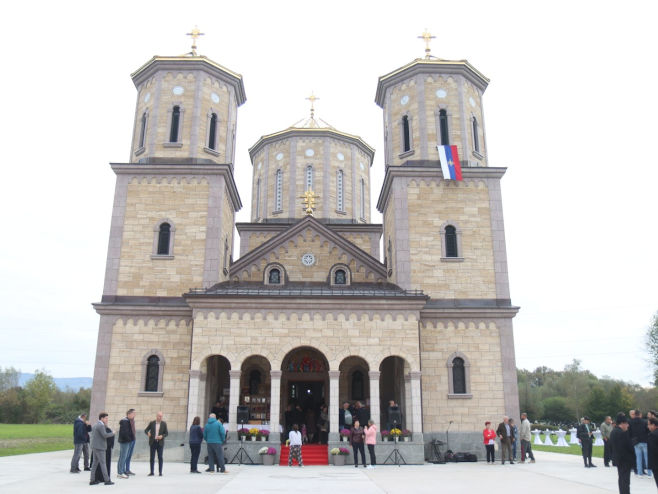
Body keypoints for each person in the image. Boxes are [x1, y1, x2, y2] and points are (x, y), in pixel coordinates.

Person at [610, 413, 634, 494]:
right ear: (623, 423)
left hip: (618, 459)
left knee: (621, 478)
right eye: (627, 424)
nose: (628, 426)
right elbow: (628, 446)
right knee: (625, 481)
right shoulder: (623, 433)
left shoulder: (613, 432)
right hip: (625, 460)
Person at [89, 412, 115, 486]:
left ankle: (92, 480)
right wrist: (113, 433)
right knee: (103, 464)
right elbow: (105, 435)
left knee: (94, 464)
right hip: (100, 447)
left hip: (95, 447)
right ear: (102, 418)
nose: (107, 420)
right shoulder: (101, 425)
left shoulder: (96, 425)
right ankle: (107, 480)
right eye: (106, 418)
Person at [144, 411, 168, 476]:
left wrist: (162, 436)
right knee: (152, 457)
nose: (160, 417)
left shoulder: (164, 424)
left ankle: (160, 472)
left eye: (161, 416)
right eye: (159, 416)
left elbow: (166, 433)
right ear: (156, 416)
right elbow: (146, 430)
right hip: (153, 442)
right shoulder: (152, 423)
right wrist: (148, 433)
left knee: (160, 457)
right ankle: (152, 472)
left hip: (160, 443)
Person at [629, 409, 650, 477]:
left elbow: (630, 432)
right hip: (644, 441)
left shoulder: (630, 422)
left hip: (635, 441)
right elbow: (648, 431)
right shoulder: (644, 422)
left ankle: (640, 473)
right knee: (647, 458)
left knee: (638, 458)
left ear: (634, 414)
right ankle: (649, 473)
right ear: (640, 414)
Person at [117, 408, 136, 479]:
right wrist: (129, 439)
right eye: (133, 413)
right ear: (129, 414)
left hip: (128, 441)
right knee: (123, 457)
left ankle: (121, 471)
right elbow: (124, 433)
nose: (134, 415)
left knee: (123, 457)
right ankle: (120, 473)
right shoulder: (125, 421)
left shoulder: (129, 421)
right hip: (125, 442)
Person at [647, 417, 658, 488]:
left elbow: (654, 449)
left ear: (654, 425)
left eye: (649, 424)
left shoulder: (652, 435)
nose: (648, 427)